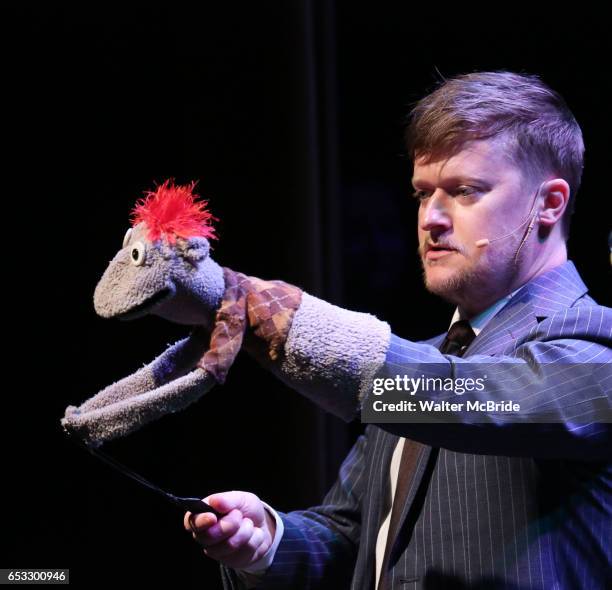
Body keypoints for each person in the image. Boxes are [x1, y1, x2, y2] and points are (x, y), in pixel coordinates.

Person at [183, 71, 611, 589]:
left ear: (549, 203)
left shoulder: (597, 348)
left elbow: (469, 403)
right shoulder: (422, 362)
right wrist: (265, 540)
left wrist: (283, 322)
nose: (431, 218)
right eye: (421, 194)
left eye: (464, 191)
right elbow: (353, 539)